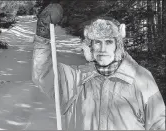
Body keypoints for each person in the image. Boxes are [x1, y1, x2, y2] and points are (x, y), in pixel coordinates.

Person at [32, 16, 166, 130]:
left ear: (118, 45)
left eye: (108, 42)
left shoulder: (141, 78)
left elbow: (159, 124)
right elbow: (43, 73)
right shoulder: (76, 77)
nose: (102, 49)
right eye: (97, 42)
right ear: (90, 45)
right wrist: (42, 33)